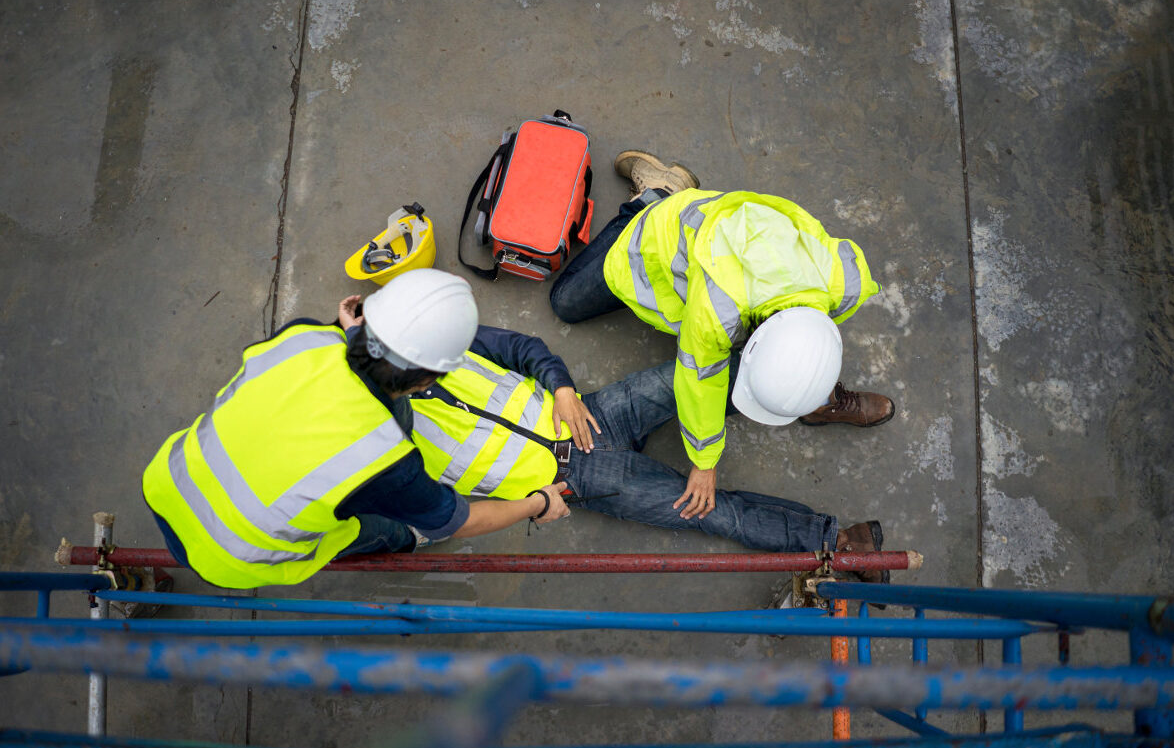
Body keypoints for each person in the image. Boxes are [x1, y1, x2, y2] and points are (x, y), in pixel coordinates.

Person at [141, 269, 569, 589]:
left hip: (168, 480)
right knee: (381, 526)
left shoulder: (303, 335)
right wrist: (537, 503)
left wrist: (351, 336)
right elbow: (460, 521)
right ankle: (405, 538)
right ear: (426, 382)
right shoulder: (386, 458)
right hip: (232, 556)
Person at [550, 151, 896, 522]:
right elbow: (699, 382)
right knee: (566, 303)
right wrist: (704, 462)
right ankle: (657, 193)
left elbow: (814, 338)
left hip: (725, 245)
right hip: (655, 240)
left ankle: (818, 399)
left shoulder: (846, 281)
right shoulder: (717, 312)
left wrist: (810, 377)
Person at [407, 323, 887, 580]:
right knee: (714, 512)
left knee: (701, 376)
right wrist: (537, 504)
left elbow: (520, 348)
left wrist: (562, 389)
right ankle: (840, 543)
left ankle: (808, 398)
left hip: (592, 413)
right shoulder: (382, 452)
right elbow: (446, 519)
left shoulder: (422, 340)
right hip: (577, 480)